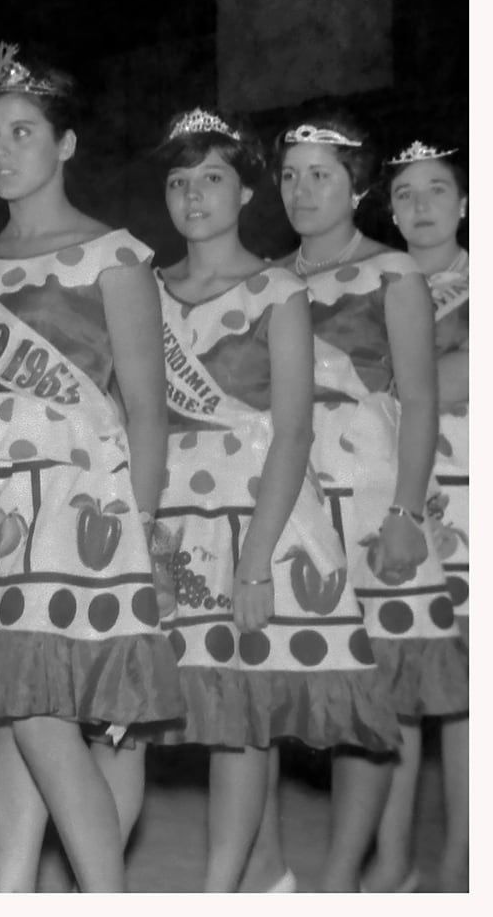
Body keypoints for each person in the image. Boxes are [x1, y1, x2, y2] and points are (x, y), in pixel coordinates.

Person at [0, 42, 179, 893]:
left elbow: (147, 410)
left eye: (23, 132)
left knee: (43, 715)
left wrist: (140, 535)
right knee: (9, 717)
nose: (1, 151)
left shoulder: (114, 257)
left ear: (66, 143)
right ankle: (11, 894)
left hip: (81, 522)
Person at [147, 108, 400, 892]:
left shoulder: (278, 289)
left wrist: (256, 563)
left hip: (258, 517)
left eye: (212, 178)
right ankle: (265, 882)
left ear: (246, 193)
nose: (194, 196)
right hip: (174, 517)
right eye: (179, 182)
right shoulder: (146, 290)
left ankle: (220, 892)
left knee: (242, 714)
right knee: (191, 706)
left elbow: (294, 430)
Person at [250, 112, 468, 893]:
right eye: (290, 175)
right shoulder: (264, 276)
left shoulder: (391, 272)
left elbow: (420, 398)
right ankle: (282, 873)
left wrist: (406, 515)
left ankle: (353, 880)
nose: (302, 190)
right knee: (284, 688)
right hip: (290, 505)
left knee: (380, 696)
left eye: (322, 174)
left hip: (374, 507)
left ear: (357, 186)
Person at [366, 139, 469, 894]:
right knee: (393, 680)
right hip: (393, 496)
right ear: (392, 214)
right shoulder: (374, 286)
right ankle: (392, 860)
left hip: (470, 501)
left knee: (469, 697)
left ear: (464, 203)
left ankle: (464, 867)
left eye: (437, 189)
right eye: (405, 194)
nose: (422, 205)